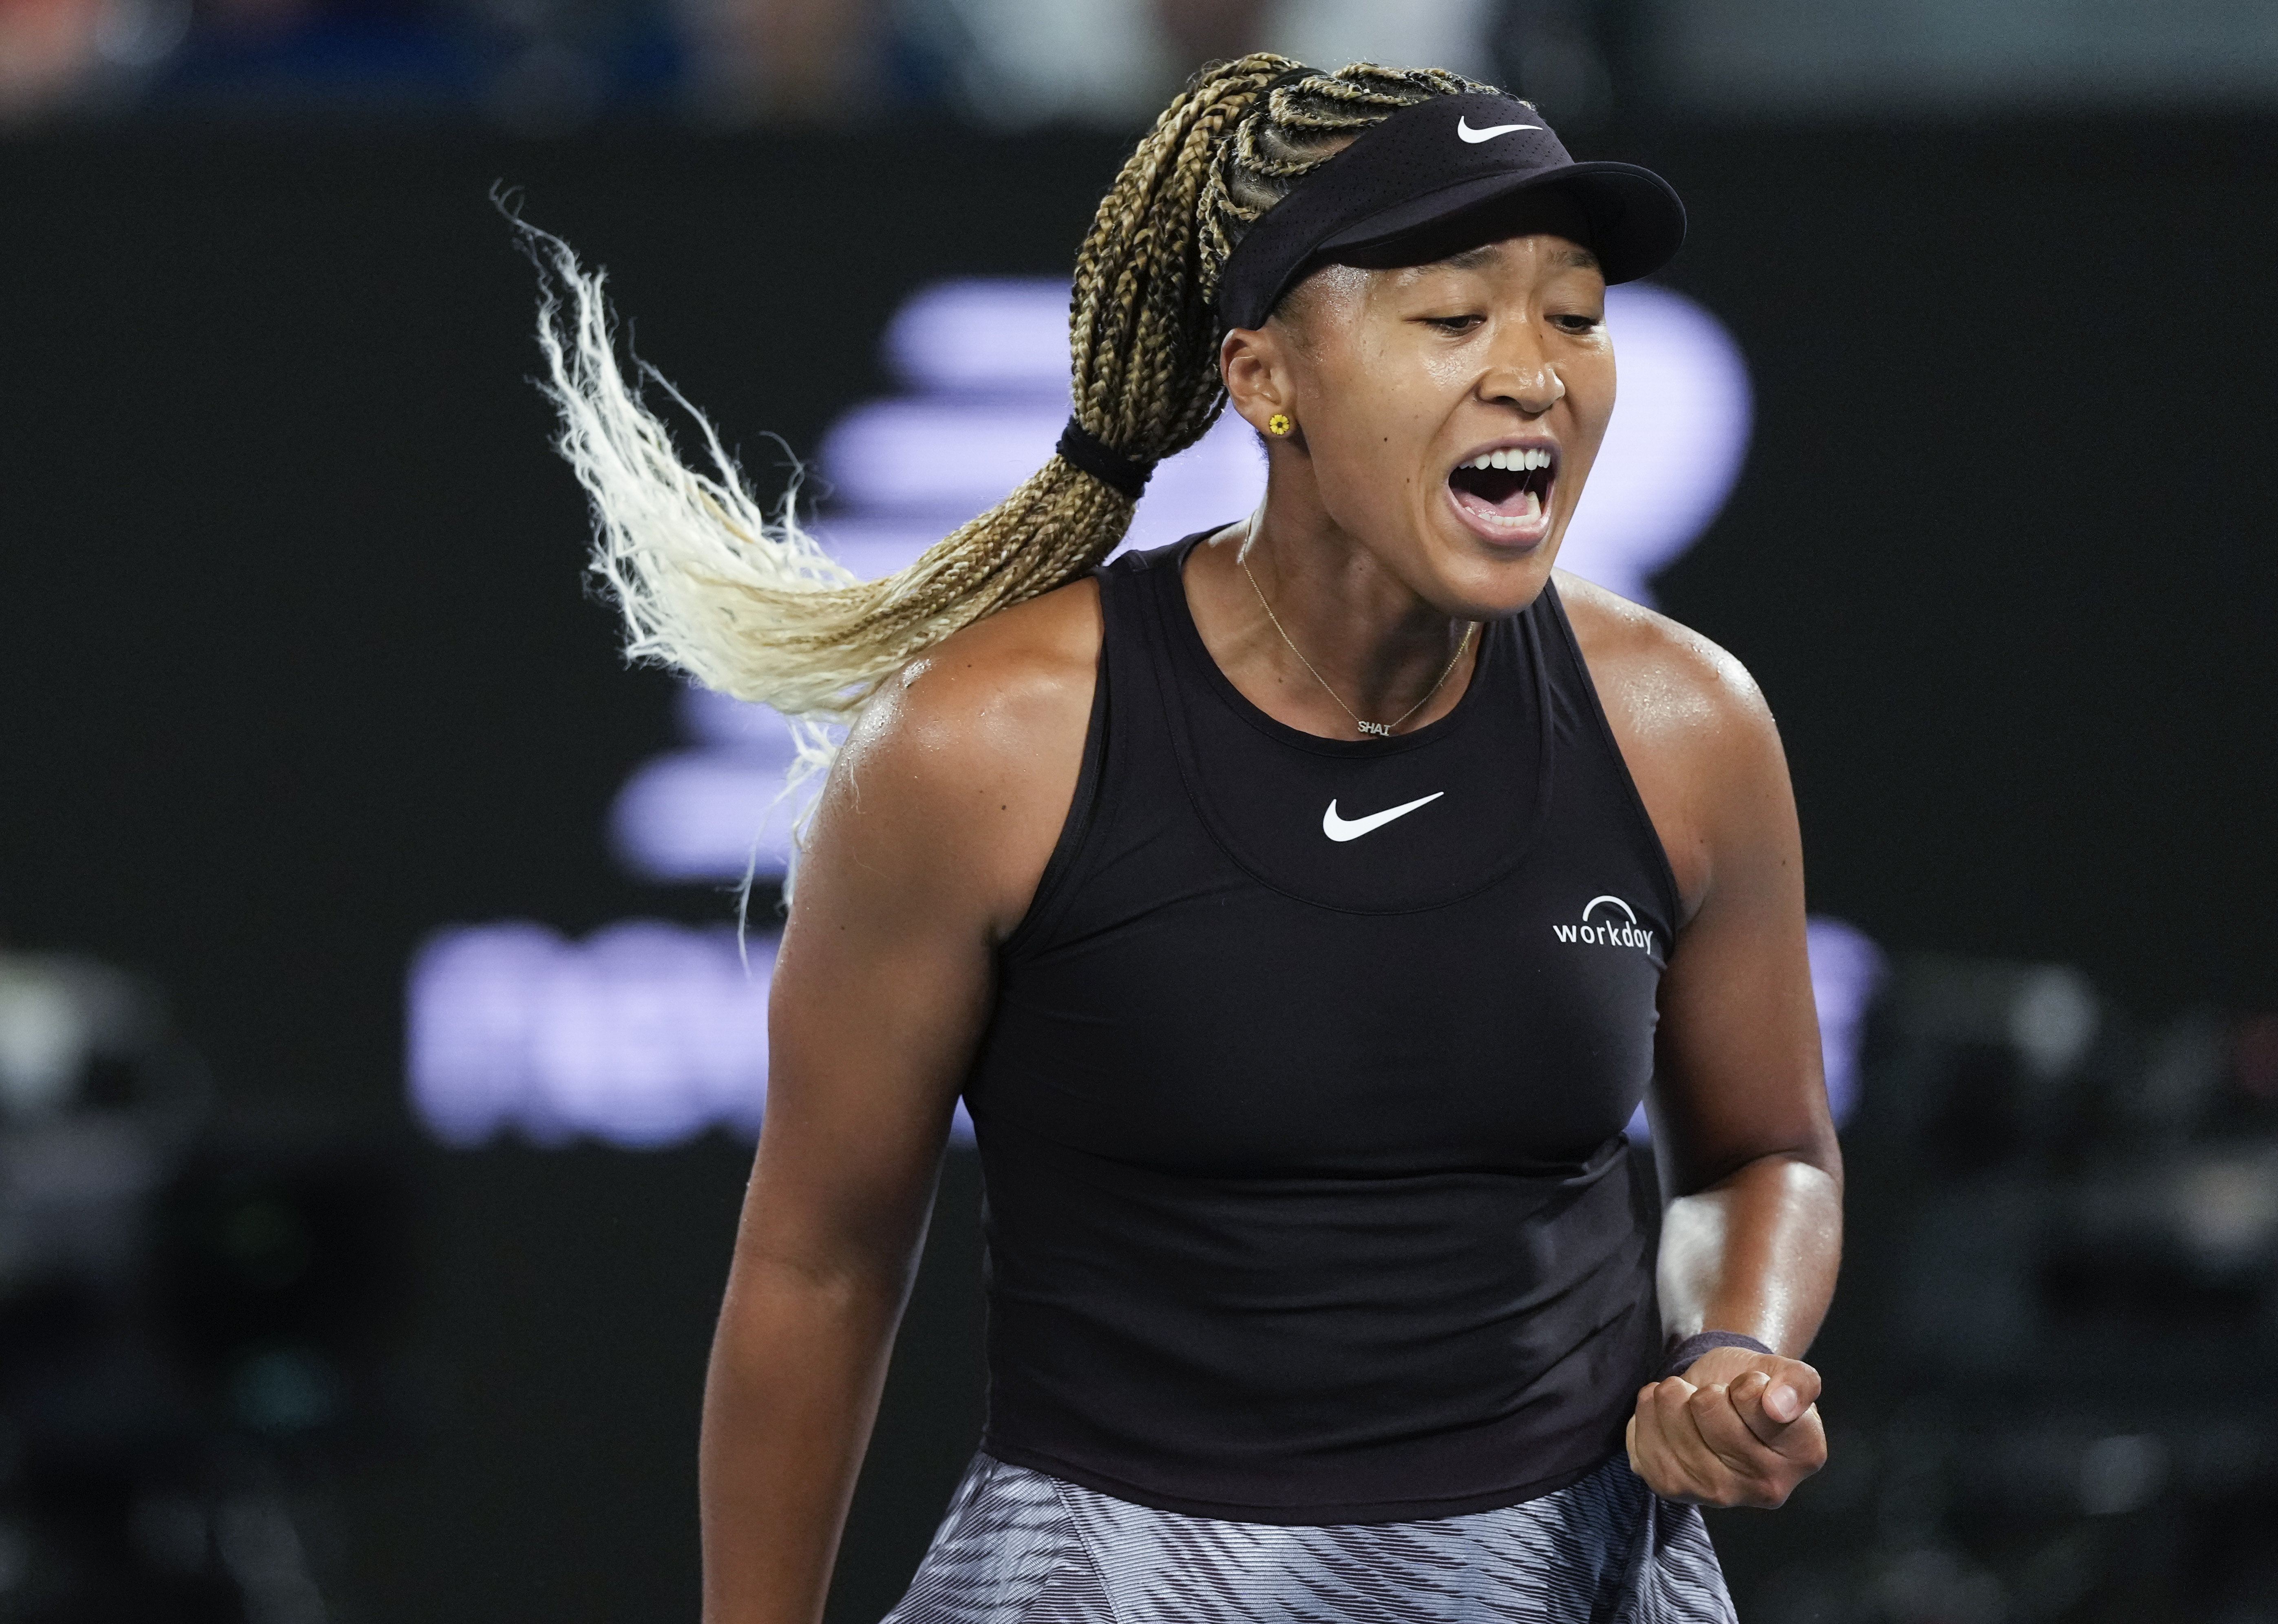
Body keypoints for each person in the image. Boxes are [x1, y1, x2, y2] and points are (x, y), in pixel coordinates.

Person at [528, 53, 1841, 1624]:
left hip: (1566, 1579)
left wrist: (1733, 1350)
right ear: (1267, 376)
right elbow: (819, 1264)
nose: (1537, 372)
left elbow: (1766, 1156)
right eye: (1454, 316)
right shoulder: (986, 744)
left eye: (1575, 314)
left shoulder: (1688, 727)